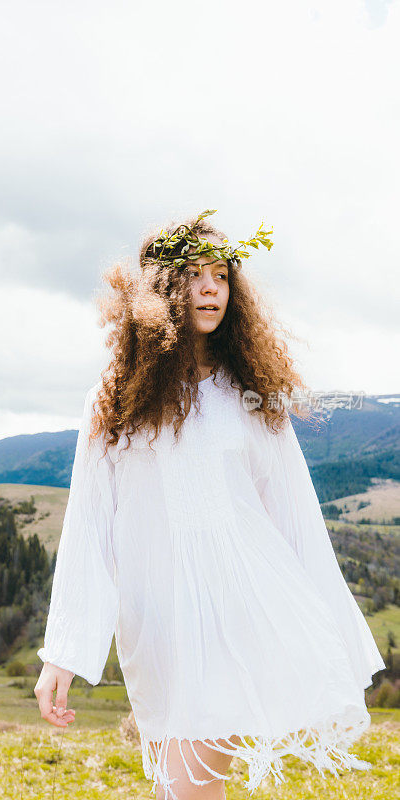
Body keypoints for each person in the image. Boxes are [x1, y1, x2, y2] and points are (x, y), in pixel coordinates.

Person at [34, 210, 386, 800]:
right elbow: (90, 523)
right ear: (162, 290)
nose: (209, 289)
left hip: (234, 608)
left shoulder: (250, 395)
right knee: (182, 786)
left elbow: (293, 510)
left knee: (189, 786)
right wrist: (62, 655)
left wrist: (328, 627)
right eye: (193, 275)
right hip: (157, 619)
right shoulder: (118, 397)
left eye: (221, 275)